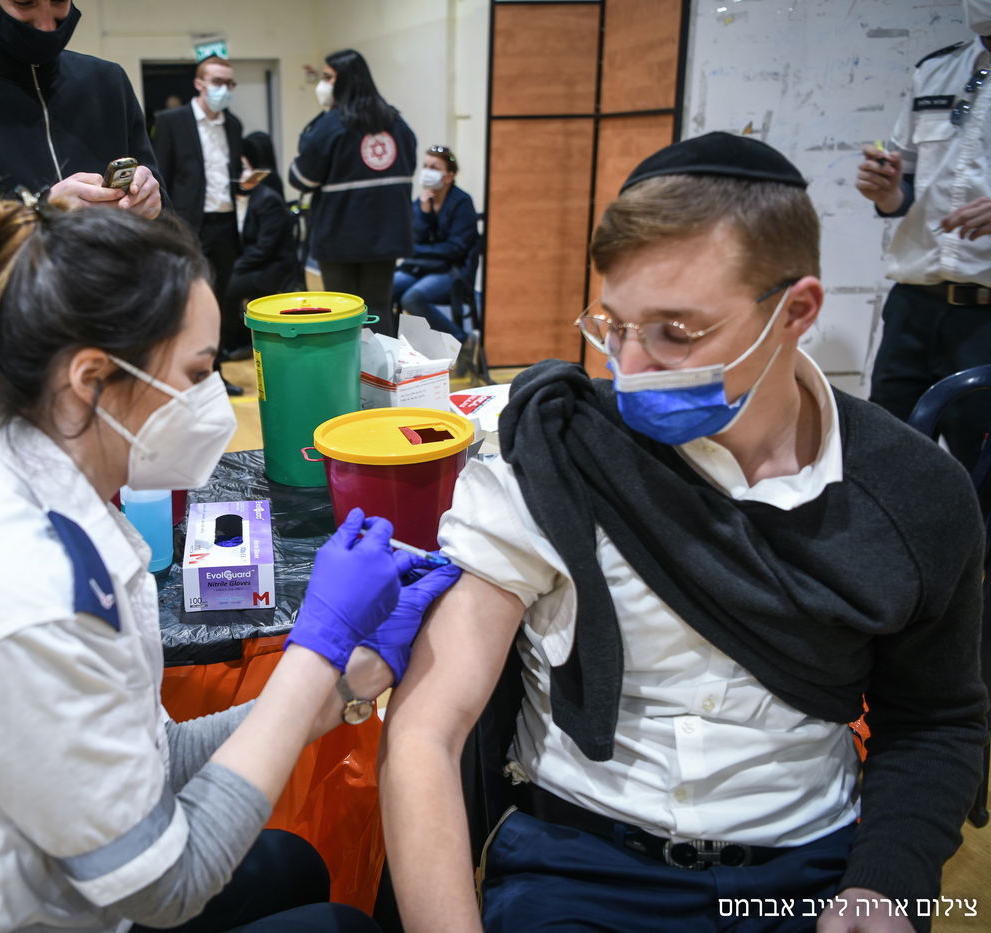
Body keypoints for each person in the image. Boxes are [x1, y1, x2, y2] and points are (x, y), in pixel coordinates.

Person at [0, 192, 461, 932]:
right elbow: (165, 885)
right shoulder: (18, 588)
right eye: (195, 376)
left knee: (293, 864)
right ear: (92, 380)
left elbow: (157, 753)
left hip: (40, 867)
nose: (213, 403)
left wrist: (357, 674)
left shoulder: (58, 503)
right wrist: (313, 644)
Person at [379, 133, 987, 933]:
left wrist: (887, 885)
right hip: (579, 866)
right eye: (614, 326)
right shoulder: (560, 449)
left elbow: (936, 719)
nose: (631, 367)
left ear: (796, 310)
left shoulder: (914, 494)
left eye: (676, 331)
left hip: (805, 872)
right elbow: (428, 725)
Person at [0, 0, 163, 288]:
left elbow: (170, 220)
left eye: (59, 1)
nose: (47, 25)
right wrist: (39, 215)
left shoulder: (107, 80)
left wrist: (152, 205)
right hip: (18, 325)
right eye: (25, 2)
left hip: (129, 315)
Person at [855, 0, 991, 471]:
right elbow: (905, 185)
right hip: (914, 307)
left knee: (982, 473)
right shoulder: (936, 71)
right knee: (882, 462)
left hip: (985, 318)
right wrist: (887, 190)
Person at [290, 49, 415, 337]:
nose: (322, 85)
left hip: (339, 238)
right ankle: (381, 380)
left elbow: (300, 178)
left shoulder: (331, 125)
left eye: (327, 77)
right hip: (386, 235)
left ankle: (347, 380)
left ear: (345, 80)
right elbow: (409, 162)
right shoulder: (395, 122)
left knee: (341, 312)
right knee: (378, 309)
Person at [152, 55, 244, 393]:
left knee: (219, 302)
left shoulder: (233, 125)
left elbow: (226, 174)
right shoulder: (171, 121)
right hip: (188, 225)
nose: (224, 89)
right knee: (183, 299)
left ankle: (213, 374)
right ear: (199, 83)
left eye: (229, 83)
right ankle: (177, 373)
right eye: (218, 82)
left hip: (225, 223)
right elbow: (161, 175)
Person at [391, 144, 479, 345]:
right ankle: (391, 345)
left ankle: (461, 341)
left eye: (435, 168)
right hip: (421, 267)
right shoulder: (421, 201)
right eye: (426, 166)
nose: (427, 172)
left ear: (449, 176)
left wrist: (418, 252)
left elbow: (454, 249)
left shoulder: (462, 202)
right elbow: (413, 239)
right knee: (386, 288)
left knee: (412, 298)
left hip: (451, 271)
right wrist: (423, 210)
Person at [224, 131, 300, 357]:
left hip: (274, 267)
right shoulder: (243, 199)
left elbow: (264, 249)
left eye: (246, 168)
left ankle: (238, 340)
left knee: (228, 287)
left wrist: (235, 266)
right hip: (258, 262)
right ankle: (236, 337)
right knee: (222, 280)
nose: (242, 174)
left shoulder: (267, 199)